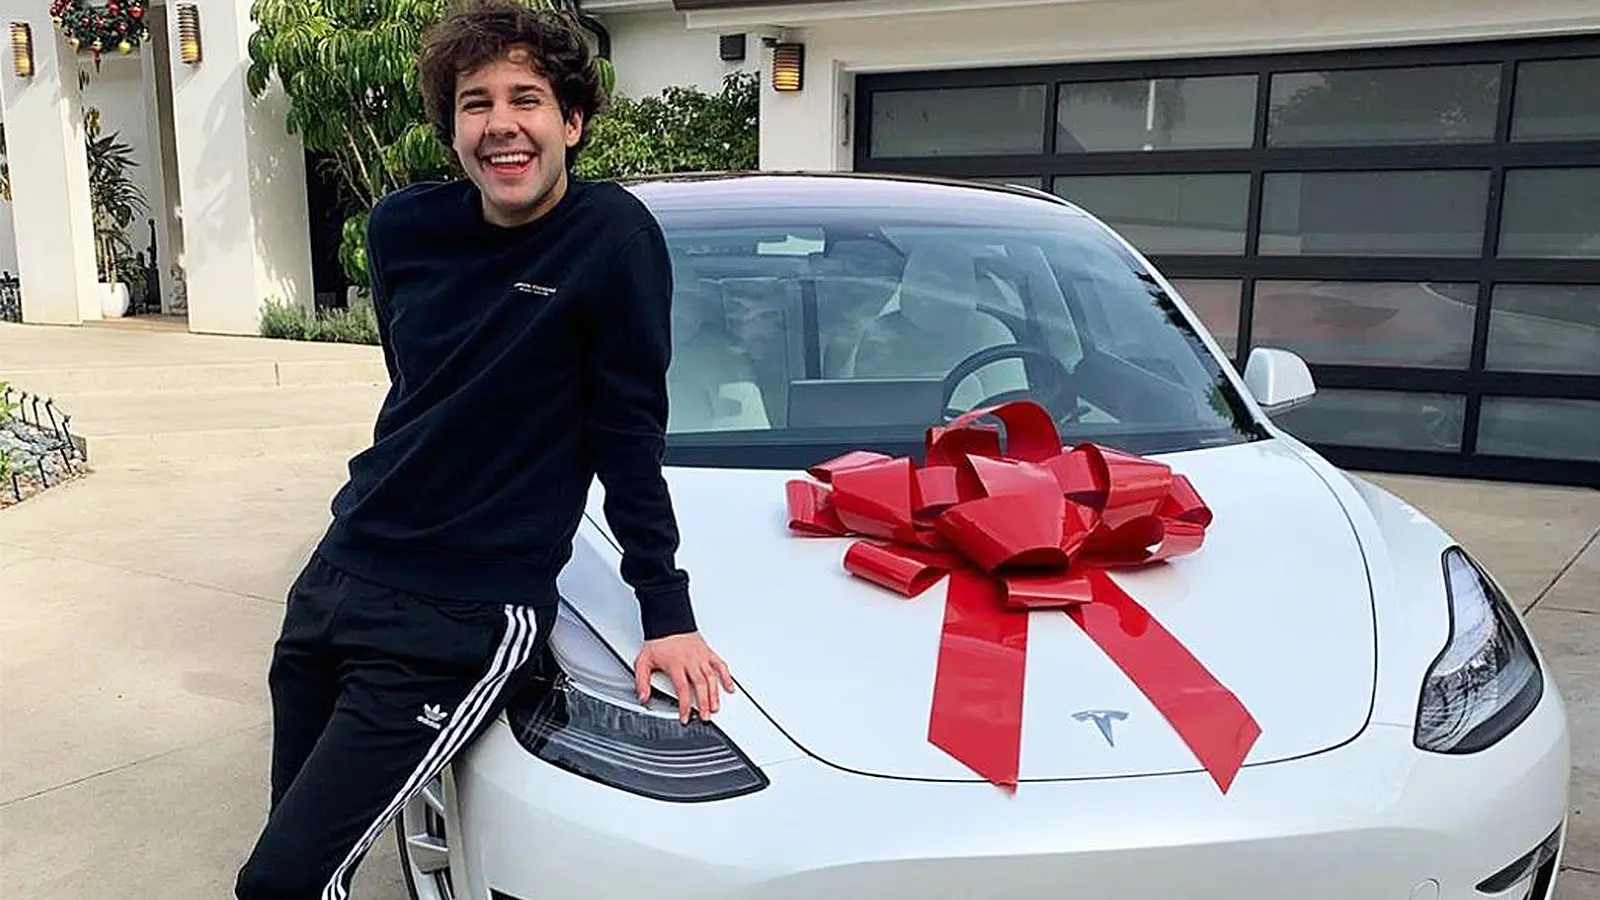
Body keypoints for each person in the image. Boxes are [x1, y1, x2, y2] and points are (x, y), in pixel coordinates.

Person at [234, 2, 733, 897]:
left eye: (527, 98)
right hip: (339, 574)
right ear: (453, 130)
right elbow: (418, 388)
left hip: (463, 610)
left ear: (571, 123)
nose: (501, 122)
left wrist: (666, 609)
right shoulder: (402, 229)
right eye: (475, 102)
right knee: (303, 856)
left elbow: (627, 433)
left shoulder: (611, 240)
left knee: (278, 884)